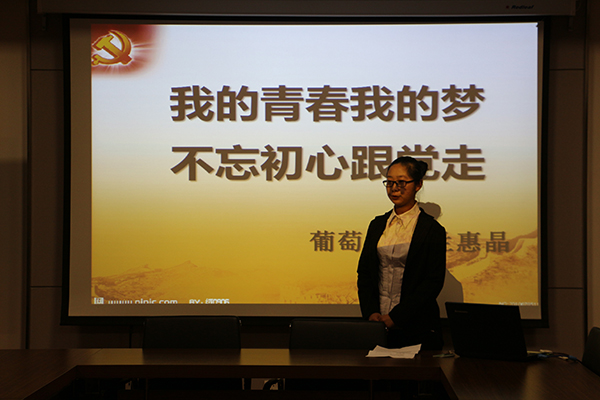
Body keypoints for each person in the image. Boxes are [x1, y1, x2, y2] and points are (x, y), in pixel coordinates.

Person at [357, 156, 446, 350]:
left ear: (418, 185)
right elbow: (365, 273)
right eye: (389, 182)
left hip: (416, 328)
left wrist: (396, 317)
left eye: (401, 182)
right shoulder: (377, 224)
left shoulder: (432, 229)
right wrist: (371, 313)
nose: (394, 188)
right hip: (377, 325)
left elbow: (432, 282)